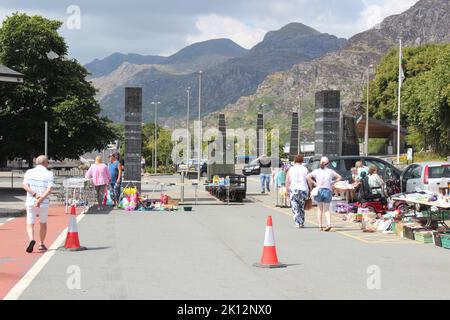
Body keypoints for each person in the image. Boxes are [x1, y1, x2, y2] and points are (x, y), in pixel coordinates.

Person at [22, 155, 54, 253]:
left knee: (30, 223)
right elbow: (49, 189)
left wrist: (35, 195)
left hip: (31, 201)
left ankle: (31, 239)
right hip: (43, 203)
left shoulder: (29, 172)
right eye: (47, 162)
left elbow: (25, 186)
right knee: (43, 223)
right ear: (45, 163)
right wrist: (40, 199)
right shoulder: (49, 174)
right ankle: (41, 243)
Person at [307, 156, 342, 232]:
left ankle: (320, 226)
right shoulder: (330, 171)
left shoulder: (316, 171)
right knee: (326, 209)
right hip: (328, 190)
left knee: (319, 209)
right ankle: (329, 224)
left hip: (319, 190)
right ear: (328, 163)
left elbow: (308, 177)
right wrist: (332, 183)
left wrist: (314, 183)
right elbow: (339, 177)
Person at [285, 155, 310, 228]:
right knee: (301, 207)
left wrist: (287, 191)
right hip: (303, 189)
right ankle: (301, 222)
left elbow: (287, 181)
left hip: (293, 189)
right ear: (302, 161)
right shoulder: (305, 169)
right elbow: (309, 181)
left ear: (294, 161)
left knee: (295, 206)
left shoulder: (291, 169)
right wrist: (310, 189)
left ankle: (297, 222)